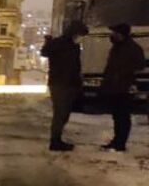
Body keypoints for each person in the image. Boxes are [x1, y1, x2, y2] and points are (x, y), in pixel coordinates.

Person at [41, 20, 89, 151]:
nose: (80, 38)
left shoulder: (73, 46)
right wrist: (48, 42)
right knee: (60, 113)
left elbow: (75, 67)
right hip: (60, 83)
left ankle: (57, 139)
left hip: (67, 83)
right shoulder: (60, 44)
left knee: (64, 113)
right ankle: (55, 141)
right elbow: (44, 52)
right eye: (80, 35)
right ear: (74, 33)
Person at [100, 23, 146, 152]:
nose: (112, 35)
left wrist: (124, 73)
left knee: (123, 116)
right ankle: (117, 141)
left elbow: (140, 65)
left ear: (121, 34)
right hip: (114, 86)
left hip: (124, 87)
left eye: (114, 33)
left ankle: (120, 143)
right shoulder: (117, 47)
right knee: (117, 115)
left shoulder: (132, 48)